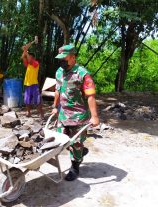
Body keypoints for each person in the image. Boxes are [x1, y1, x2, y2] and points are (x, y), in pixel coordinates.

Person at [51, 44, 100, 181]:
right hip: (63, 114)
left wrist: (95, 117)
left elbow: (90, 96)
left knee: (76, 143)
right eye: (59, 59)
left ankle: (75, 167)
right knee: (62, 142)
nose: (61, 62)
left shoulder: (83, 74)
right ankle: (80, 153)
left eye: (64, 59)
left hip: (78, 116)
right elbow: (58, 90)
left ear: (73, 57)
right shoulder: (59, 72)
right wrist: (55, 106)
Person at [21, 46, 44, 119]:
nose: (28, 58)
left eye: (29, 57)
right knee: (27, 100)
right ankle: (28, 112)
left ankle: (41, 114)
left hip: (34, 84)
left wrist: (26, 51)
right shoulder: (28, 64)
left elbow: (30, 61)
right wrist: (25, 51)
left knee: (37, 100)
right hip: (27, 84)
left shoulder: (36, 63)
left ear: (33, 58)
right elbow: (23, 58)